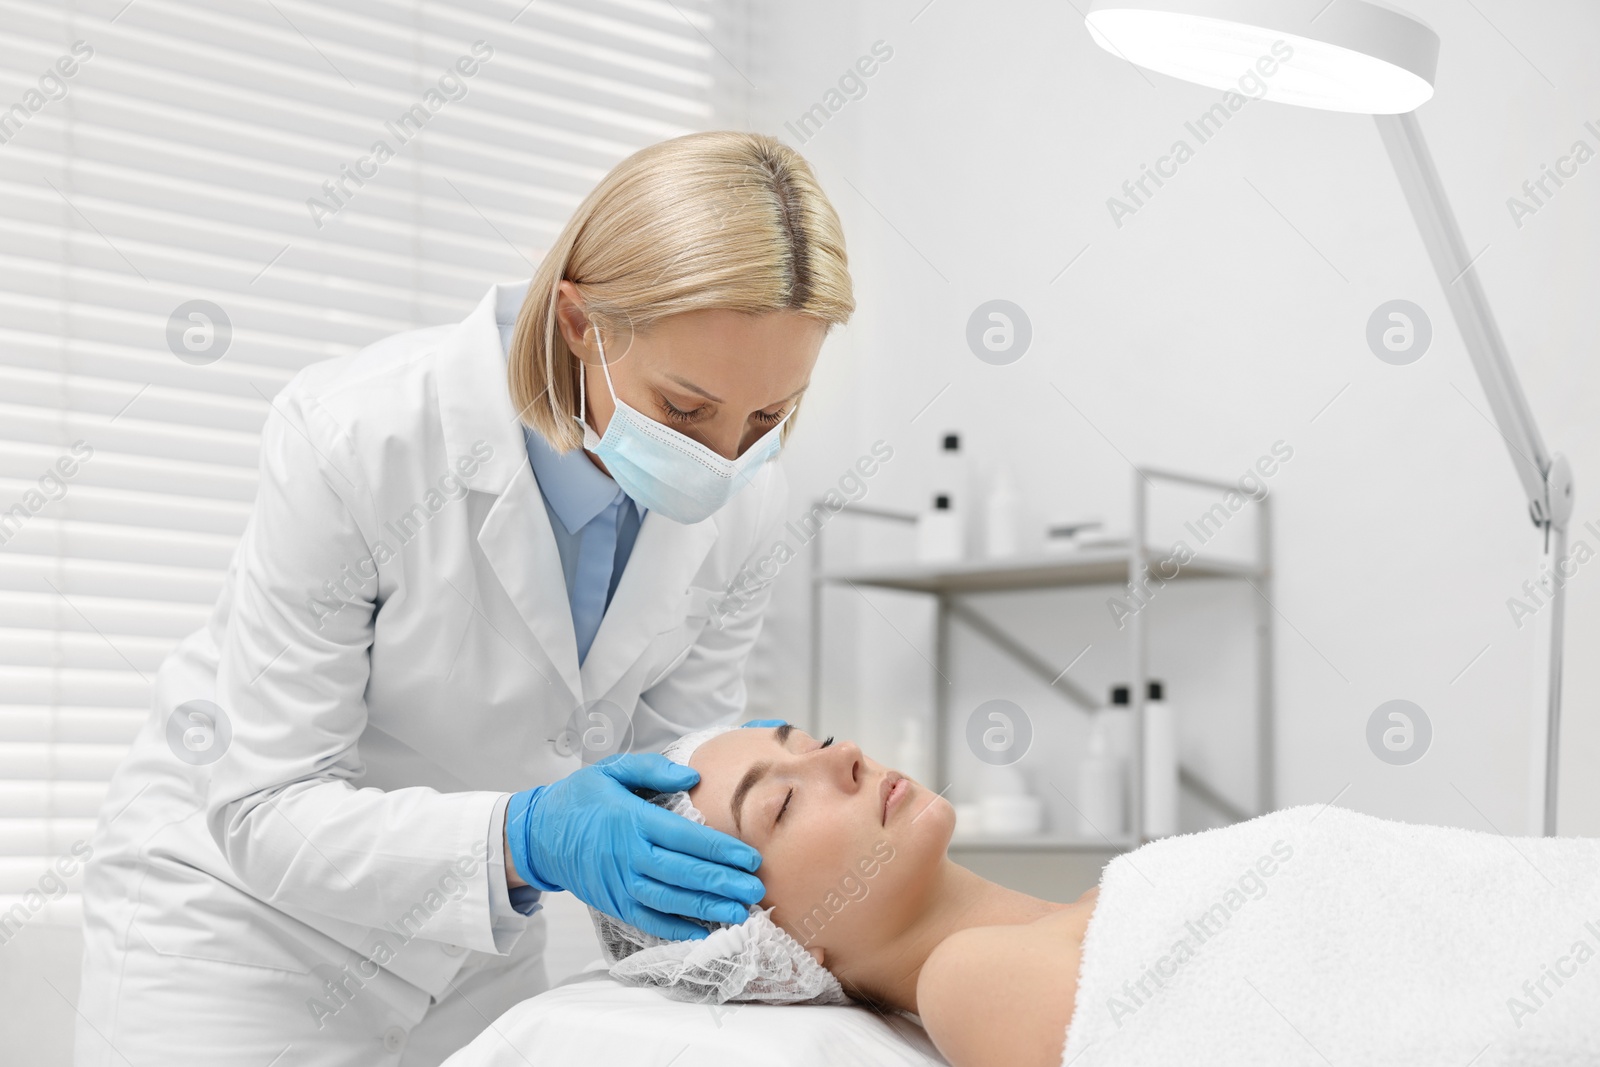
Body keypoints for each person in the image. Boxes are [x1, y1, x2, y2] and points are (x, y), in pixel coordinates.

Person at [74, 131, 855, 1066]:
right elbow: (263, 808)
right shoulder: (357, 436)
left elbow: (672, 769)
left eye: (767, 417)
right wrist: (527, 833)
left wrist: (761, 806)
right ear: (580, 323)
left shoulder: (746, 498)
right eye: (685, 409)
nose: (722, 458)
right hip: (245, 933)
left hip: (477, 946)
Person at [605, 722, 1099, 1067]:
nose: (847, 754)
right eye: (784, 804)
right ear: (776, 958)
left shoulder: (1096, 905)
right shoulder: (964, 980)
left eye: (816, 742)